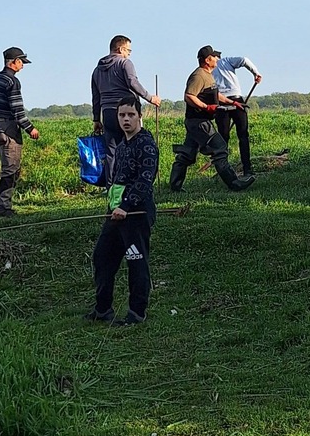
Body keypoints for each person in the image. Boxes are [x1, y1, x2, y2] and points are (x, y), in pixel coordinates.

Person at [89, 98, 159, 325]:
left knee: (136, 262)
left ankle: (136, 314)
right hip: (115, 213)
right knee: (102, 256)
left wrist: (126, 206)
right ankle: (102, 309)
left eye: (130, 115)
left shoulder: (146, 144)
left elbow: (145, 180)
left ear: (140, 116)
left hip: (136, 213)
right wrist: (113, 206)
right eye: (122, 115)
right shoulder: (121, 146)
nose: (126, 119)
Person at [167, 46, 255, 193]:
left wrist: (232, 103)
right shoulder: (199, 76)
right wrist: (206, 107)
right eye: (214, 57)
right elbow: (189, 96)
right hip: (199, 122)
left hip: (196, 122)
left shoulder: (209, 75)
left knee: (187, 154)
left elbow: (216, 95)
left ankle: (175, 186)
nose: (217, 59)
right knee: (220, 148)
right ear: (208, 60)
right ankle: (234, 183)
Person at [0, 47, 39, 218]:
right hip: (8, 127)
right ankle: (3, 207)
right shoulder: (12, 81)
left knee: (7, 168)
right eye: (21, 62)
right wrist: (30, 128)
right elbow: (17, 110)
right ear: (14, 62)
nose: (22, 66)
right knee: (11, 170)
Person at [91, 36, 158, 153]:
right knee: (133, 145)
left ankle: (112, 172)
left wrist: (96, 119)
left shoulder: (97, 70)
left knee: (111, 151)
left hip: (107, 113)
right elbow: (132, 82)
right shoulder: (124, 63)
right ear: (121, 49)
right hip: (127, 111)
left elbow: (96, 97)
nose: (129, 54)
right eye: (128, 50)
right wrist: (150, 97)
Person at [213, 51, 262, 177]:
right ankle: (247, 169)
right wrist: (255, 73)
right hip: (236, 100)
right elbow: (244, 60)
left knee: (223, 139)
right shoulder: (227, 61)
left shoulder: (209, 68)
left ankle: (224, 171)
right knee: (243, 136)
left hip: (221, 102)